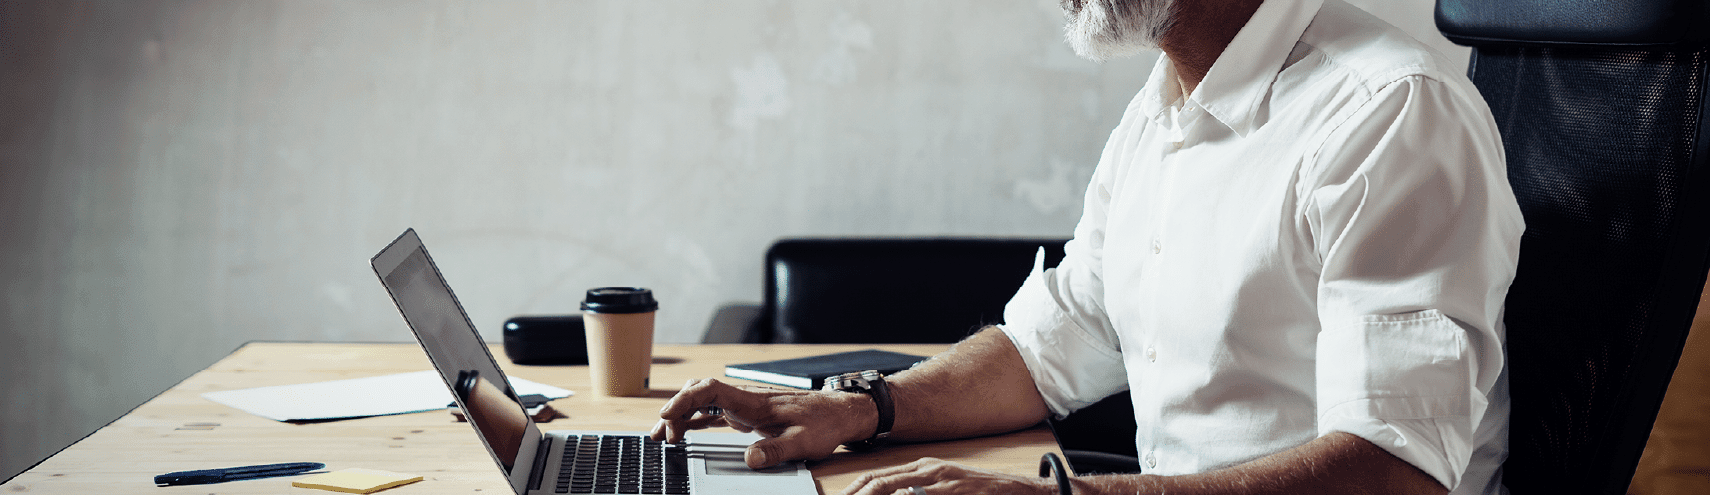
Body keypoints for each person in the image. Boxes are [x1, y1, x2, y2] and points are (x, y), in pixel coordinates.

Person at [653, 0, 1524, 493]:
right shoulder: (1164, 108)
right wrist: (864, 408)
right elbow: (1056, 340)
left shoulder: (1388, 114)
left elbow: (1394, 473)